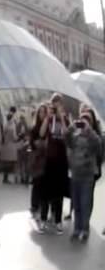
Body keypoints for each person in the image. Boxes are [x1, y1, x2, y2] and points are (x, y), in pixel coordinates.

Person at [33, 95, 70, 234]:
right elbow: (42, 133)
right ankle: (43, 219)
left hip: (61, 160)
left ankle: (58, 221)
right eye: (54, 105)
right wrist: (47, 118)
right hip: (48, 159)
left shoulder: (65, 118)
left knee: (59, 192)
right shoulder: (48, 119)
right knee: (45, 191)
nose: (55, 107)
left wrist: (62, 118)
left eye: (58, 105)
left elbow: (67, 135)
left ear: (62, 105)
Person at [67, 110, 102, 242]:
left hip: (87, 176)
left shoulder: (93, 137)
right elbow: (67, 140)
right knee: (76, 204)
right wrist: (71, 127)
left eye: (86, 121)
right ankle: (77, 229)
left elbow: (98, 147)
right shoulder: (75, 136)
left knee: (85, 204)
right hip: (75, 174)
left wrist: (89, 131)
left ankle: (85, 230)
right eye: (81, 121)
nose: (83, 123)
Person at [1, 107, 20, 184]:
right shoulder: (12, 126)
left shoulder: (5, 124)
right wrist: (20, 136)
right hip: (11, 146)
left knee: (6, 162)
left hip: (5, 145)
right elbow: (14, 137)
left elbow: (3, 134)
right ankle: (12, 178)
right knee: (12, 163)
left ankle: (5, 177)